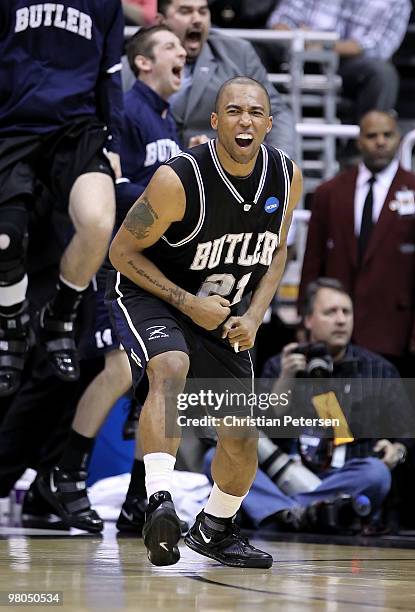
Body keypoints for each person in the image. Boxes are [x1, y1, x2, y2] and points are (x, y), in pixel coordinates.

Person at [56, 76, 301, 568]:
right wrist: (189, 304)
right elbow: (121, 252)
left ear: (269, 124)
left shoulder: (286, 176)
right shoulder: (179, 179)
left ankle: (216, 528)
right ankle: (159, 502)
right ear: (215, 122)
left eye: (255, 112)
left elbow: (277, 251)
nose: (244, 120)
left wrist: (254, 316)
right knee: (170, 365)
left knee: (242, 434)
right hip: (152, 292)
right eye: (233, 111)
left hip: (222, 309)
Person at [36, 26, 186, 534]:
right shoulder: (125, 110)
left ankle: (137, 499)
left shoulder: (168, 119)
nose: (181, 52)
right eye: (168, 46)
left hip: (152, 267)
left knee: (160, 379)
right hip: (115, 262)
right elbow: (115, 190)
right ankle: (64, 475)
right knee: (122, 371)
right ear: (142, 62)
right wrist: (171, 200)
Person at [0, 0, 124, 396]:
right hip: (11, 125)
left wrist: (114, 141)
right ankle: (13, 322)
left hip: (77, 129)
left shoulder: (105, 4)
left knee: (98, 221)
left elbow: (110, 75)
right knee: (4, 240)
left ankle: (60, 315)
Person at [237, 278, 408, 531]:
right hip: (284, 474)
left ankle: (288, 511)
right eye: (331, 312)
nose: (341, 320)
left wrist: (398, 449)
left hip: (345, 478)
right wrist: (284, 381)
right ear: (308, 320)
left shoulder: (378, 369)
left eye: (346, 312)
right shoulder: (281, 365)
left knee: (377, 473)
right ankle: (310, 510)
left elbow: (406, 431)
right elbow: (258, 433)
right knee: (215, 458)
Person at [299, 110, 415, 376]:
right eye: (372, 135)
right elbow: (312, 259)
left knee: (393, 413)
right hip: (335, 334)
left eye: (387, 134)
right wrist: (304, 317)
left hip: (396, 328)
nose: (380, 142)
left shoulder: (414, 188)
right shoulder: (329, 192)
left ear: (398, 138)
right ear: (359, 141)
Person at [154, 0, 296, 157]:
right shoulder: (138, 62)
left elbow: (276, 112)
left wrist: (281, 160)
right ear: (161, 21)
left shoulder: (238, 54)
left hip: (223, 170)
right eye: (185, 11)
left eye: (202, 11)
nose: (197, 19)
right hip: (155, 171)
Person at [267, 0, 412, 120]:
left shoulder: (397, 2)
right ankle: (256, 143)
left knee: (382, 74)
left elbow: (379, 48)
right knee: (253, 50)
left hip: (347, 65)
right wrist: (302, 41)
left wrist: (322, 45)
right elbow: (279, 21)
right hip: (296, 54)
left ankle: (358, 152)